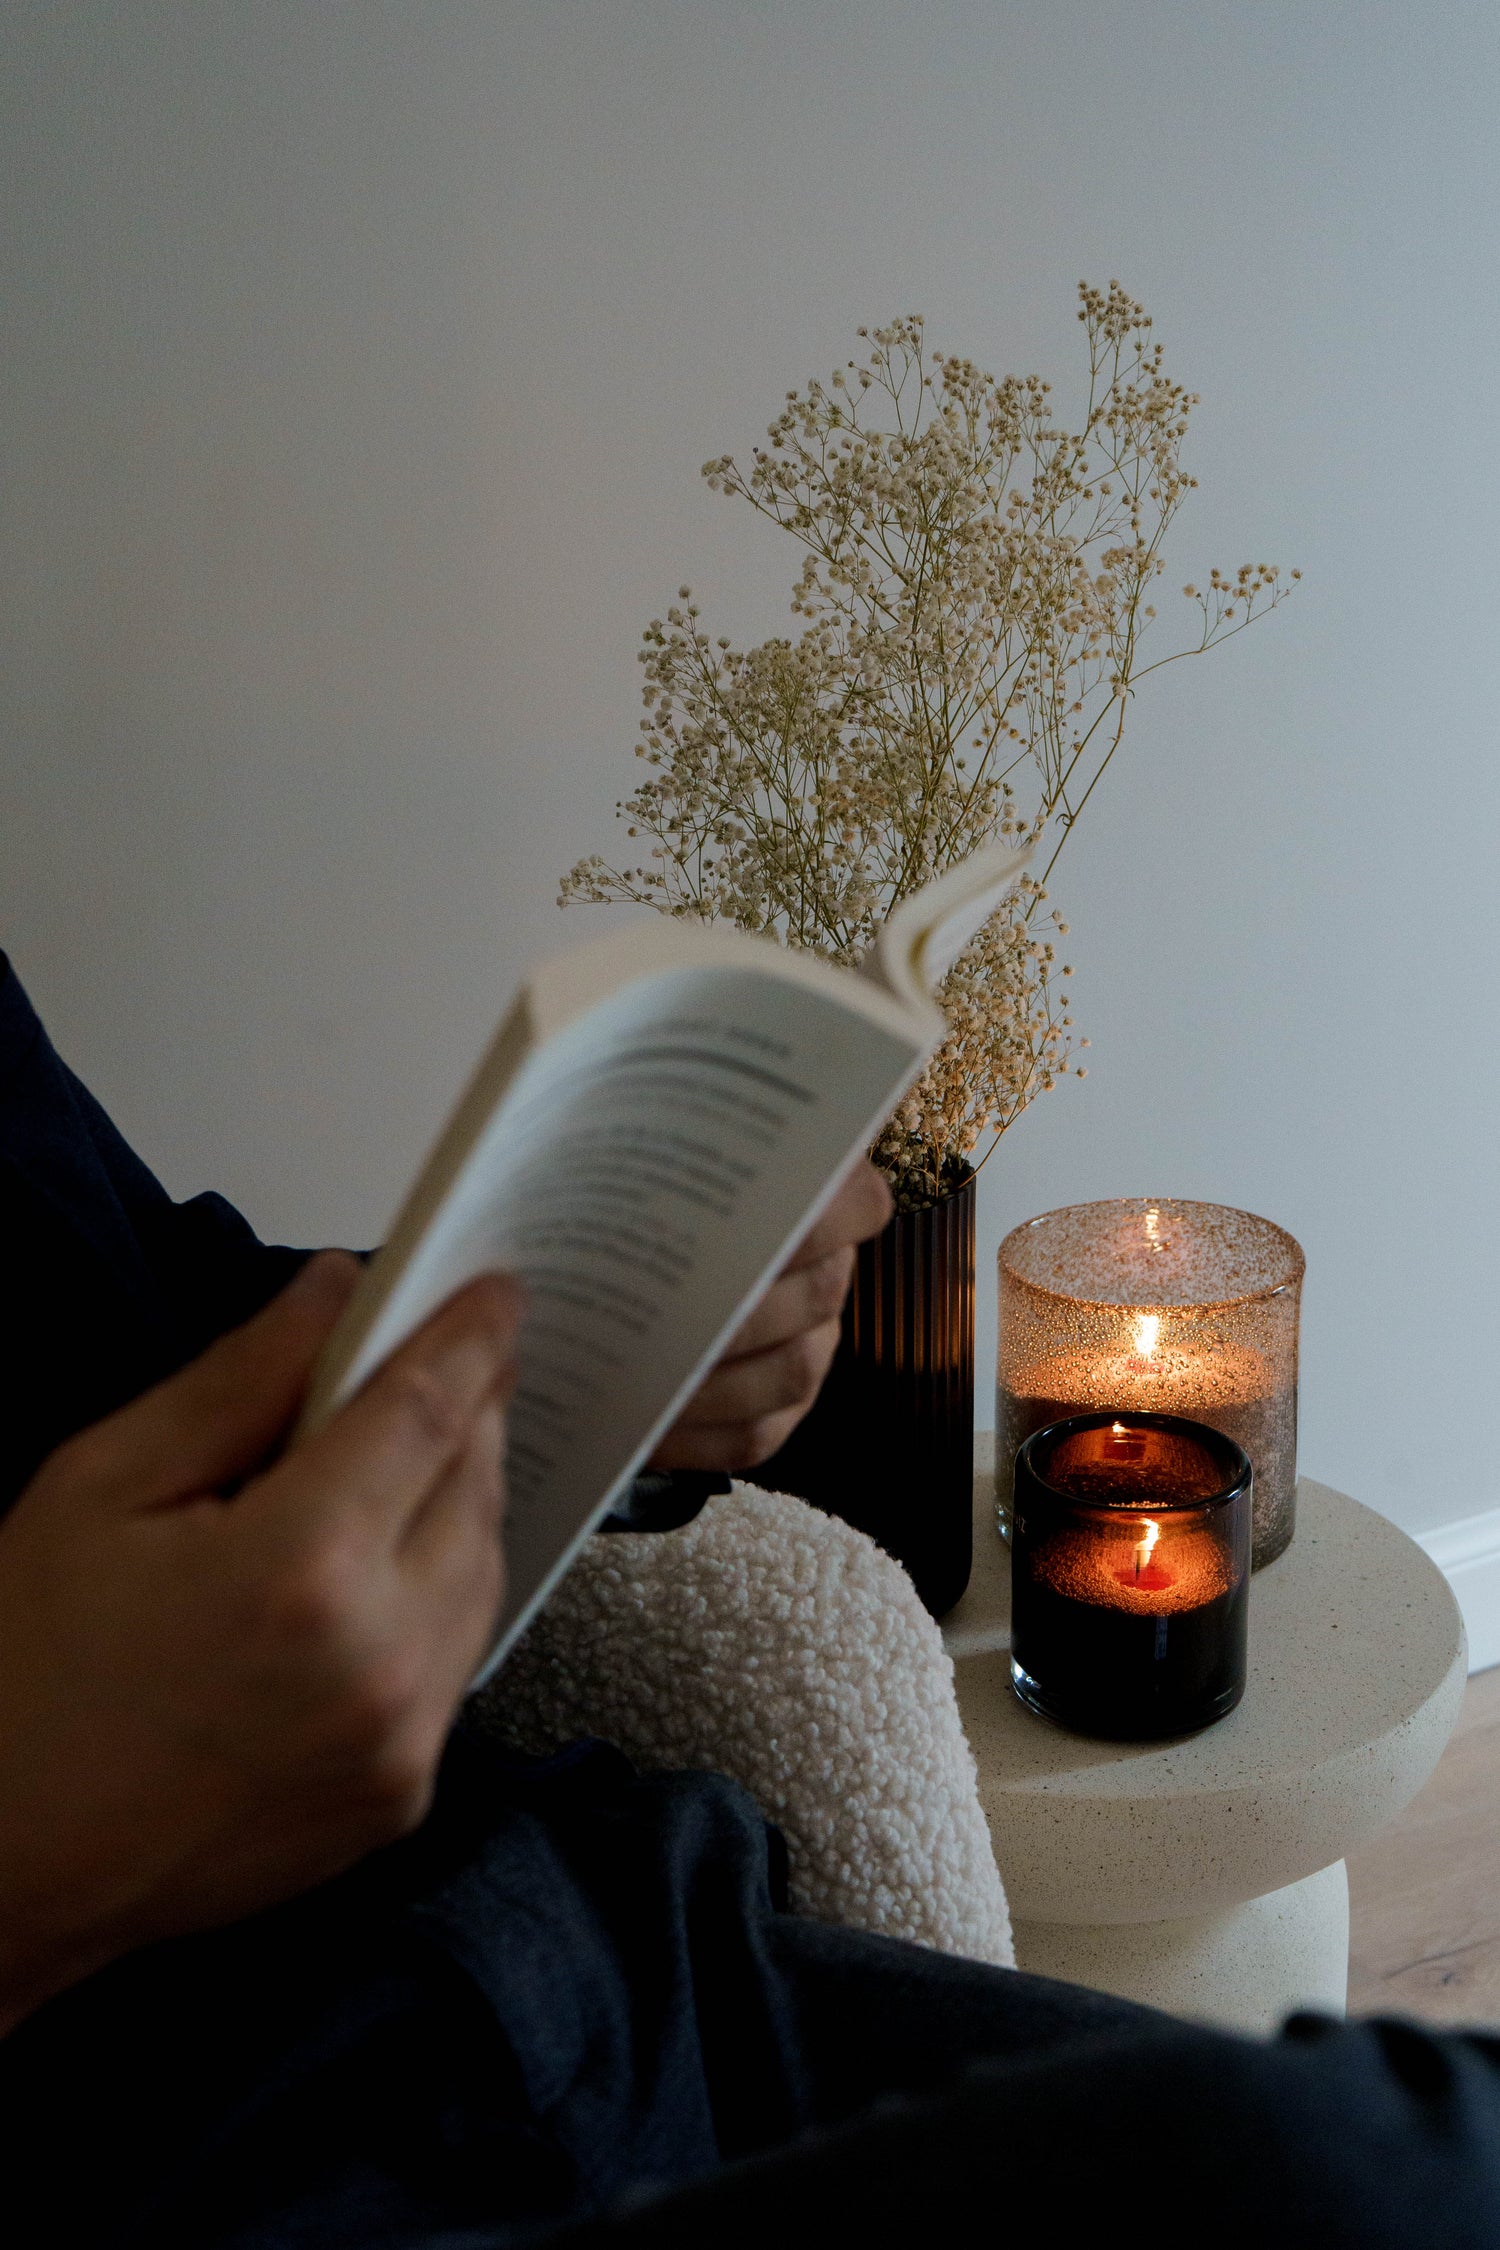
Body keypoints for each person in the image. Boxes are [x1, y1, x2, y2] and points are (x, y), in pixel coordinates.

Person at [3, 949, 1500, 2249]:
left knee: (1414, 2146)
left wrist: (578, 1337)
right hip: (217, 2162)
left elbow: (148, 1307)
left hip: (592, 1945)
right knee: (1372, 2180)